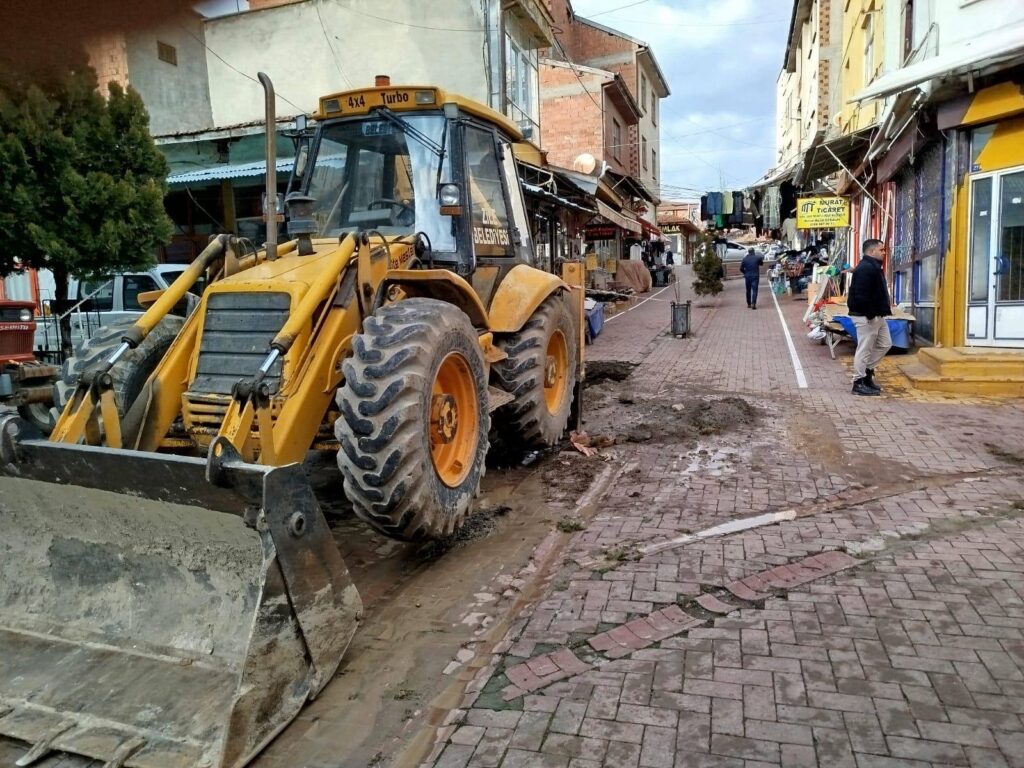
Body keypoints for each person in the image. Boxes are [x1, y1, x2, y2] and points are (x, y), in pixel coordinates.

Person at [848, 238, 892, 396]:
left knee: (885, 344)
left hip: (877, 315)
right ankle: (858, 382)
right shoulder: (866, 268)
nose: (884, 253)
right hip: (866, 316)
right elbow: (861, 295)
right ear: (872, 251)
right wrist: (870, 314)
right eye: (881, 250)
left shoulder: (873, 267)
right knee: (864, 349)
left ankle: (866, 372)